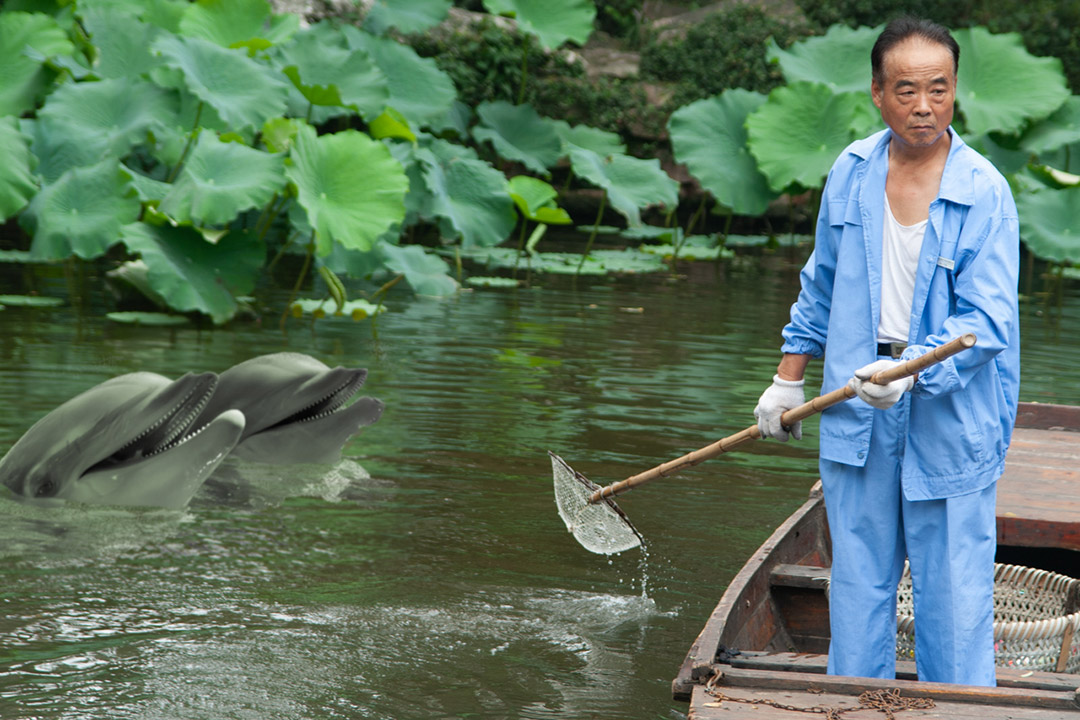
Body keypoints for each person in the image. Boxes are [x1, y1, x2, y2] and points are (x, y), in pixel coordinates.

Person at [753, 17, 1020, 686]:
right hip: (855, 399)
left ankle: (957, 708)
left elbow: (987, 322)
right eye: (906, 90)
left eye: (939, 88)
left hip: (946, 407)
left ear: (956, 91)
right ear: (877, 92)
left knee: (953, 592)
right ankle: (855, 701)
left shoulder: (982, 189)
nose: (924, 106)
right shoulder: (852, 171)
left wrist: (908, 372)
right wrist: (788, 381)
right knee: (858, 582)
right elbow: (820, 283)